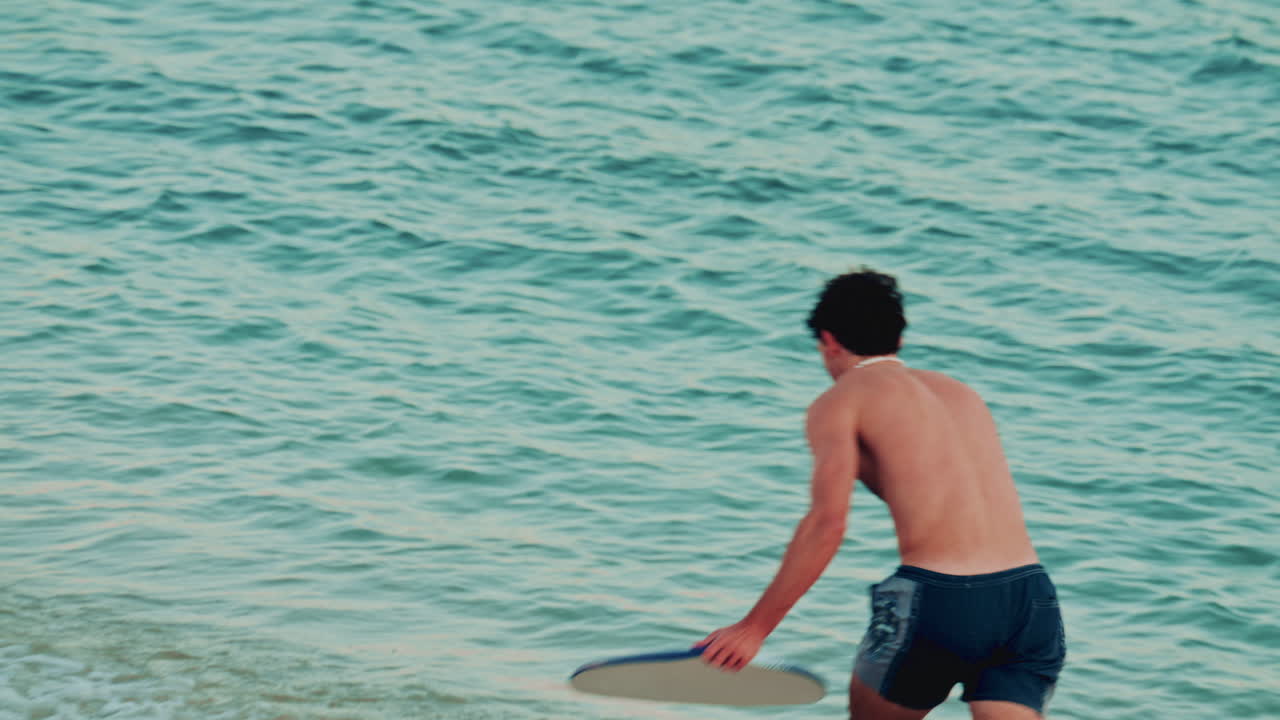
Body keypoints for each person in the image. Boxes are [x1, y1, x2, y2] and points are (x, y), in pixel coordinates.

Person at [697, 269, 1066, 719]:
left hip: (941, 597)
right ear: (899, 337)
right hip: (1030, 598)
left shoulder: (840, 401)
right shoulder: (962, 394)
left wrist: (754, 629)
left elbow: (826, 523)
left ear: (829, 341)